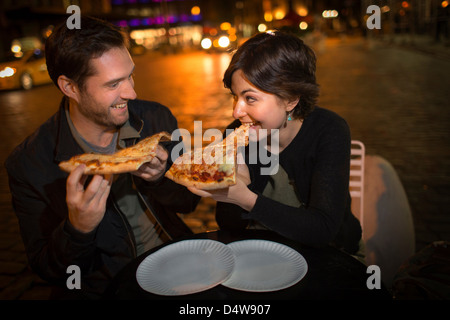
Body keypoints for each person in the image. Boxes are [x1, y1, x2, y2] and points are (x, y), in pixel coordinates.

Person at [5, 16, 199, 299]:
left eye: (130, 75)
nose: (131, 92)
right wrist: (78, 229)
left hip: (177, 260)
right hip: (110, 288)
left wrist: (160, 179)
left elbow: (189, 202)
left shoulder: (156, 117)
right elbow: (49, 270)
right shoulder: (29, 163)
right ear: (70, 87)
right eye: (113, 84)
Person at [190, 31, 362, 256]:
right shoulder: (235, 133)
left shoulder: (329, 130)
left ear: (291, 99)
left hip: (331, 257)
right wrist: (240, 183)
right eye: (235, 96)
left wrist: (247, 199)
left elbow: (323, 230)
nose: (236, 111)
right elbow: (228, 225)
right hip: (264, 254)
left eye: (250, 98)